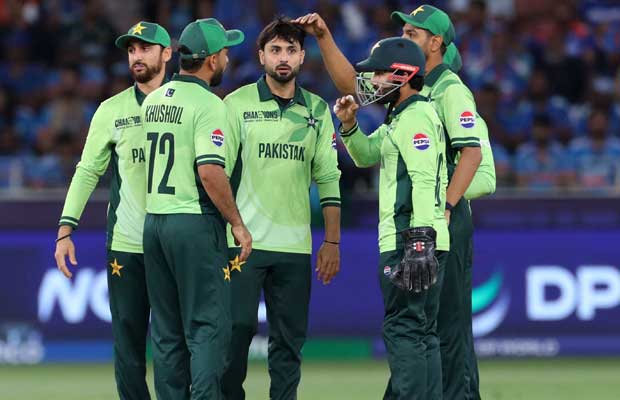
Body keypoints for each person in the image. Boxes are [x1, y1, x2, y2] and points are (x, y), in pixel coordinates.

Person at [295, 6, 495, 398]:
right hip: (420, 223)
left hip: (434, 222)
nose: (404, 37)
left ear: (434, 44)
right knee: (422, 328)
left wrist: (442, 209)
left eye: (412, 33)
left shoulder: (450, 90)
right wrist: (323, 37)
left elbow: (479, 167)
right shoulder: (400, 106)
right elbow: (357, 88)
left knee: (440, 328)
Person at [220, 17, 341, 400]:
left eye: (290, 50)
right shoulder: (235, 104)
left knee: (289, 342)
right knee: (235, 331)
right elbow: (215, 172)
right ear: (261, 56)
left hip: (294, 246)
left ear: (303, 57)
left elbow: (329, 179)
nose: (283, 57)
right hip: (243, 244)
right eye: (275, 50)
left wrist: (332, 241)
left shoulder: (318, 111)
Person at [54, 21, 172, 400]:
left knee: (176, 343)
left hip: (176, 243)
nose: (136, 56)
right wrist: (65, 229)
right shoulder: (111, 110)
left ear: (166, 54)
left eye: (145, 48)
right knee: (128, 345)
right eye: (131, 50)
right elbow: (87, 170)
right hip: (127, 244)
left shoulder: (186, 103)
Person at [140, 18, 252, 400]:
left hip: (154, 223)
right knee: (207, 327)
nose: (227, 60)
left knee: (167, 332)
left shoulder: (154, 101)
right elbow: (209, 171)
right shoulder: (210, 105)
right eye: (224, 53)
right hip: (193, 223)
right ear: (210, 60)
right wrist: (236, 223)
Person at [334, 37, 449, 399]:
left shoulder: (414, 118)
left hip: (410, 241)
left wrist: (418, 243)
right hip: (423, 240)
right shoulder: (401, 117)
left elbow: (423, 179)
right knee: (422, 332)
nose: (372, 82)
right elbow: (367, 155)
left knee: (404, 330)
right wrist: (349, 126)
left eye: (380, 73)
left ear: (403, 75)